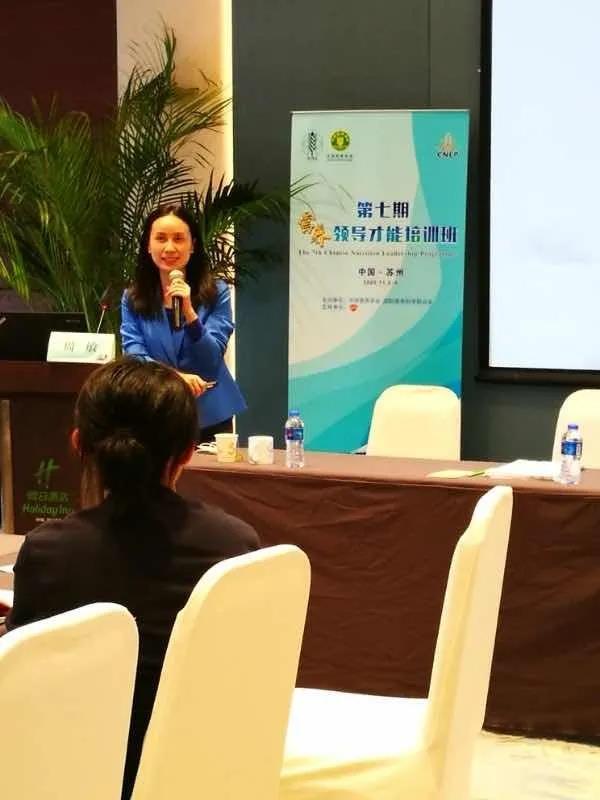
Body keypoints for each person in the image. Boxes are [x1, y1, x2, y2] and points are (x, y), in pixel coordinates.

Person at [6, 357, 259, 798]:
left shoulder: (48, 552)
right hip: (205, 772)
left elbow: (20, 679)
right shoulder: (236, 546)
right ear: (187, 452)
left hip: (73, 775)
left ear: (78, 443)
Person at [120, 203, 246, 441]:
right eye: (161, 238)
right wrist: (175, 377)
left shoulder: (216, 292)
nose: (170, 247)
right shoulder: (133, 298)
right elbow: (135, 356)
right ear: (148, 245)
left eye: (178, 238)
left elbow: (211, 357)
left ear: (192, 245)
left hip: (209, 413)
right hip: (154, 410)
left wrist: (189, 313)